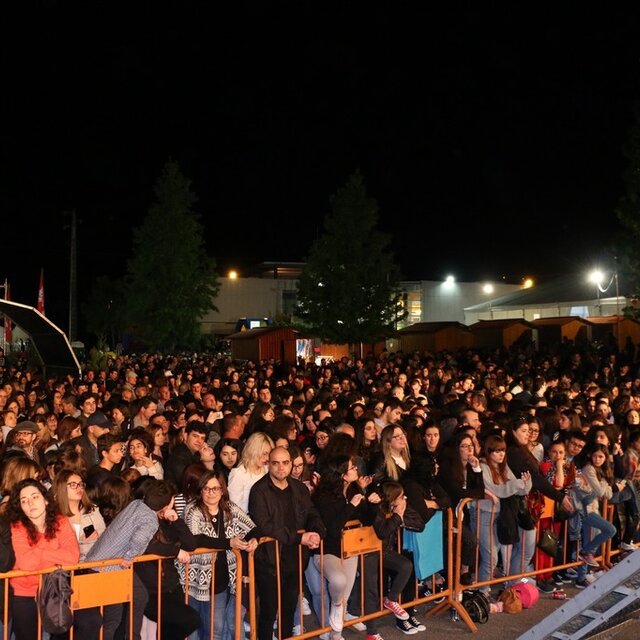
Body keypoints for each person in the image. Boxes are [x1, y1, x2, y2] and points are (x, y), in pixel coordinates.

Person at [248, 446, 326, 640]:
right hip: (269, 561)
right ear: (268, 464)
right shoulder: (258, 491)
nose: (280, 468)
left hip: (296, 559)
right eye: (275, 463)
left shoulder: (299, 488)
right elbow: (265, 525)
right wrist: (301, 538)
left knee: (289, 609)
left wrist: (316, 532)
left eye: (285, 463)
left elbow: (311, 513)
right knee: (268, 611)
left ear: (291, 464)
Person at [8, 478, 99, 640]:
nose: (30, 503)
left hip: (59, 588)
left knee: (91, 620)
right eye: (24, 500)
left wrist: (38, 552)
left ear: (45, 500)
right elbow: (25, 563)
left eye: (35, 497)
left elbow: (72, 557)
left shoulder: (60, 521)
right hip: (26, 592)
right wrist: (55, 557)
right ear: (20, 507)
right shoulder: (16, 528)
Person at [180, 470, 258, 640]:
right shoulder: (192, 510)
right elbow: (196, 539)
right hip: (194, 578)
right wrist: (229, 543)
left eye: (215, 488)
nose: (211, 493)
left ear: (222, 490)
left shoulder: (229, 508)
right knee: (192, 629)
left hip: (220, 580)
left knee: (216, 629)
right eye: (206, 488)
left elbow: (252, 527)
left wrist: (254, 539)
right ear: (200, 490)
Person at [311, 454, 380, 640]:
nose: (356, 469)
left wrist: (373, 504)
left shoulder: (352, 490)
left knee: (344, 595)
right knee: (338, 582)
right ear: (342, 474)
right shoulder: (324, 497)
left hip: (350, 549)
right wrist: (350, 506)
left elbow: (366, 520)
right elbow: (333, 528)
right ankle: (336, 608)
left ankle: (336, 635)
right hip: (327, 550)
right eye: (352, 467)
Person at [473, 434, 531, 595]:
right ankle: (482, 592)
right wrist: (518, 483)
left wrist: (525, 482)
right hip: (483, 515)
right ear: (488, 451)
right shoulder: (483, 466)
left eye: (503, 450)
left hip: (498, 516)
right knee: (491, 558)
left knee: (492, 557)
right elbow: (496, 490)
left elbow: (520, 490)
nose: (501, 454)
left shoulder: (503, 466)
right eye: (497, 451)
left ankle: (482, 591)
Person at [373, 481, 427, 635]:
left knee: (409, 572)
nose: (405, 499)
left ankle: (408, 614)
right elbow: (383, 532)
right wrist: (397, 516)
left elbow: (420, 524)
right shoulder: (377, 509)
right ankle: (397, 614)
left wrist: (401, 517)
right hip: (376, 553)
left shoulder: (401, 506)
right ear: (392, 497)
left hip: (392, 550)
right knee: (404, 567)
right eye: (401, 496)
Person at [572, 443, 619, 588]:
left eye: (601, 457)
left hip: (593, 509)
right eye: (595, 456)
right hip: (586, 510)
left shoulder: (600, 471)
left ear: (605, 458)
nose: (597, 459)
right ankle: (584, 555)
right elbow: (600, 492)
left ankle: (582, 577)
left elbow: (608, 495)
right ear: (590, 456)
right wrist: (605, 484)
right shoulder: (589, 469)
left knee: (590, 541)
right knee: (610, 530)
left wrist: (604, 486)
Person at [51, 468, 106, 560]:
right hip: (68, 565)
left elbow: (104, 538)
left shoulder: (92, 510)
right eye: (73, 485)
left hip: (95, 561)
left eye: (80, 484)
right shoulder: (53, 516)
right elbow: (56, 550)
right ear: (62, 488)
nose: (79, 488)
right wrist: (82, 543)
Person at [227, 431, 274, 514]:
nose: (267, 458)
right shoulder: (238, 474)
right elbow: (235, 508)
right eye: (264, 453)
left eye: (269, 454)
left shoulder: (267, 470)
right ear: (253, 450)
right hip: (246, 519)